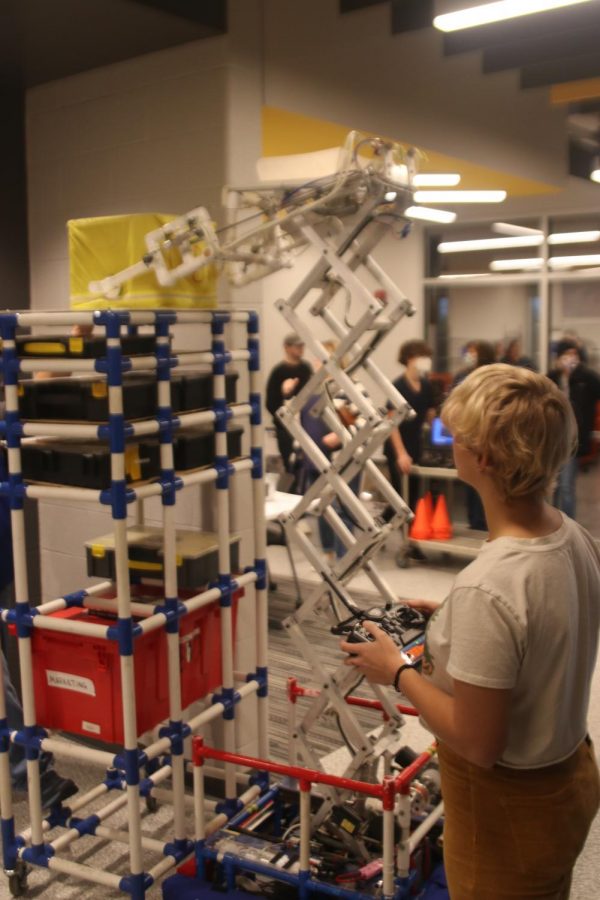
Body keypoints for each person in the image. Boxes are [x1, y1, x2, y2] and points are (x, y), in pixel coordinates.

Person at [341, 364, 600, 900]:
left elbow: (480, 743)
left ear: (482, 458)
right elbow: (541, 625)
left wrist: (399, 672)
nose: (449, 443)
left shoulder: (490, 586)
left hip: (508, 813)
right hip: (569, 777)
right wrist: (454, 616)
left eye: (456, 435)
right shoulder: (574, 537)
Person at [548, 338, 600, 519]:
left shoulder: (587, 377)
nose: (571, 358)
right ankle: (551, 520)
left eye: (574, 354)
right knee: (551, 486)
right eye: (567, 354)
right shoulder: (552, 377)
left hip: (573, 440)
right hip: (552, 439)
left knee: (567, 486)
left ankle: (569, 524)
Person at [384, 339, 436, 513]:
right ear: (409, 358)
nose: (426, 361)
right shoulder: (398, 386)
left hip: (416, 445)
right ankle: (383, 528)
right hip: (398, 447)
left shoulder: (427, 385)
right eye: (422, 356)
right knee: (399, 497)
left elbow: (431, 416)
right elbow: (392, 424)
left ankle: (409, 536)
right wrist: (401, 454)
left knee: (413, 496)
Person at [265, 333, 313, 480]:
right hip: (285, 427)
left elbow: (312, 393)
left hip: (306, 424)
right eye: (297, 346)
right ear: (286, 347)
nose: (301, 349)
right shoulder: (279, 371)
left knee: (308, 462)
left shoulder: (306, 368)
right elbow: (271, 402)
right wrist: (284, 418)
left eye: (302, 346)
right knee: (290, 464)